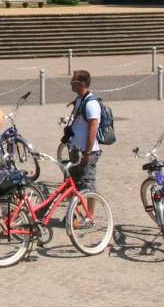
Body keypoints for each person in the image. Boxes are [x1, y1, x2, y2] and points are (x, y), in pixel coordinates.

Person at [67, 70, 101, 224]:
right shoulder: (79, 99)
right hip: (75, 150)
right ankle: (73, 214)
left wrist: (87, 151)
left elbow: (93, 128)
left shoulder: (91, 103)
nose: (70, 83)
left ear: (81, 84)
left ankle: (90, 216)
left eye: (73, 81)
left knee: (88, 183)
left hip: (87, 151)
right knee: (72, 183)